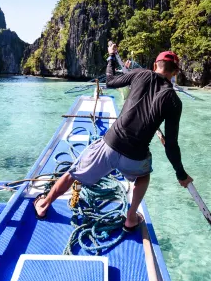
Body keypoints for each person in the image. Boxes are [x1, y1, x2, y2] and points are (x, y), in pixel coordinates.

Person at [34, 43, 193, 231]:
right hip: (135, 157)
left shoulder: (140, 74)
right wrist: (181, 174)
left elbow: (110, 81)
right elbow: (171, 144)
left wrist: (110, 57)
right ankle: (131, 218)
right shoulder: (175, 101)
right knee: (144, 175)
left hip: (110, 145)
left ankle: (43, 205)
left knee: (72, 174)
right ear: (175, 73)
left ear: (154, 65)